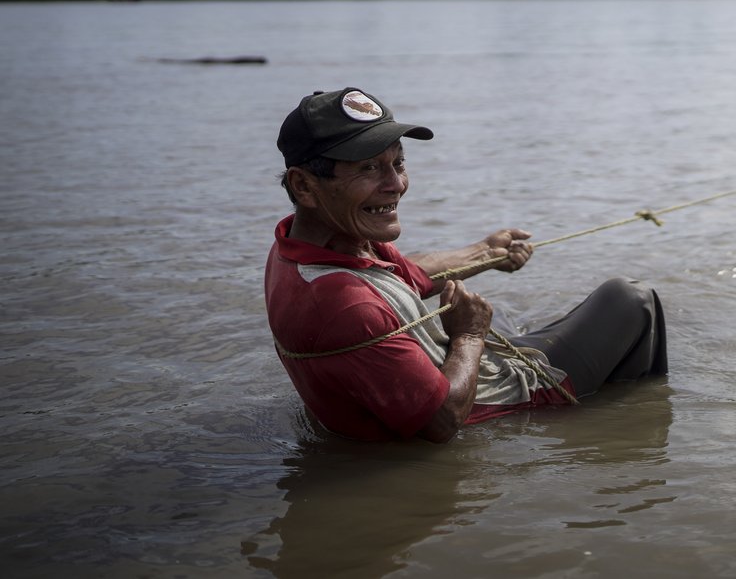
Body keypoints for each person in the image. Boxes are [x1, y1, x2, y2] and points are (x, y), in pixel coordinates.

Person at [265, 87, 667, 442]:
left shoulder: (307, 244)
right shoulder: (345, 304)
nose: (395, 184)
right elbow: (442, 421)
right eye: (368, 168)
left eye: (398, 163)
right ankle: (628, 438)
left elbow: (407, 274)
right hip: (489, 405)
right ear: (304, 185)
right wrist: (469, 336)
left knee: (503, 314)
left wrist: (484, 253)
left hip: (435, 377)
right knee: (631, 299)